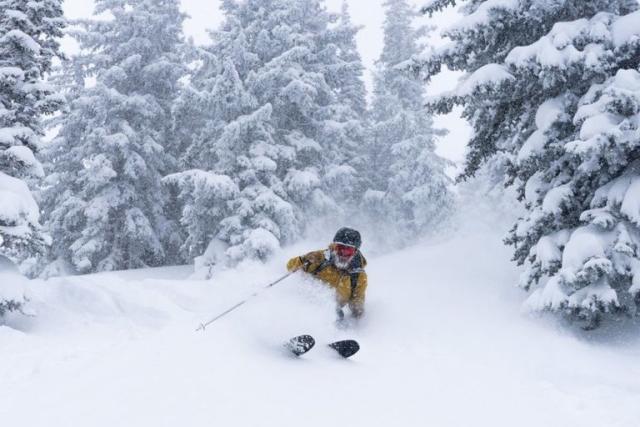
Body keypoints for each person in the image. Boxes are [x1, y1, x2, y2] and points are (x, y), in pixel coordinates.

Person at [287, 227, 368, 319]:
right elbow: (290, 266)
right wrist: (304, 259)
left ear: (355, 252)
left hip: (331, 313)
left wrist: (358, 309)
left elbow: (357, 298)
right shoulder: (321, 258)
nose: (343, 254)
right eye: (340, 248)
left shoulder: (357, 275)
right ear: (334, 246)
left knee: (336, 314)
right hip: (304, 303)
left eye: (348, 251)